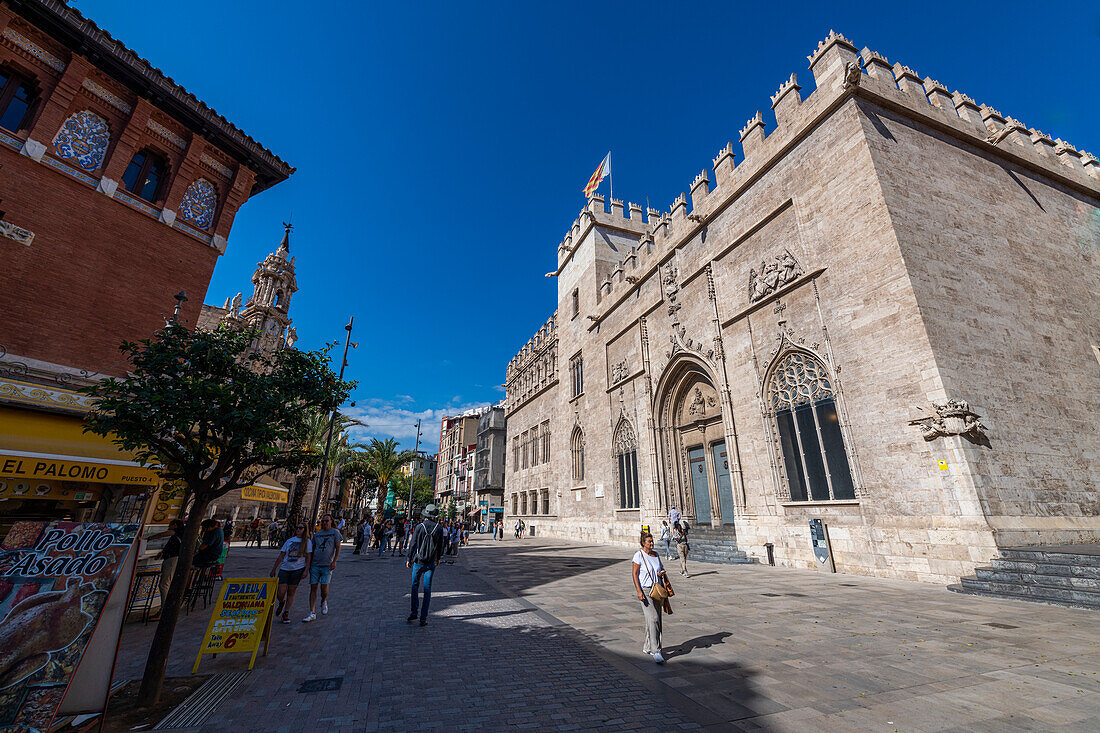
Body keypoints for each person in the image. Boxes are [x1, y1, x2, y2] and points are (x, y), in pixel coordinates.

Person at [632, 531, 669, 664]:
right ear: (643, 543)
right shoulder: (638, 556)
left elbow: (659, 569)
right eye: (649, 542)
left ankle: (647, 647)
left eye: (652, 541)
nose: (652, 543)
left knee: (655, 619)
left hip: (657, 590)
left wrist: (660, 573)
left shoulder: (656, 555)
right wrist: (638, 590)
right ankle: (656, 651)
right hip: (646, 590)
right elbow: (635, 574)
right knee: (653, 619)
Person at [406, 504, 446, 627]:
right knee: (427, 589)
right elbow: (441, 546)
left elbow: (413, 544)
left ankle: (414, 612)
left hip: (418, 561)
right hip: (431, 562)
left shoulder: (419, 527)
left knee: (414, 586)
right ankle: (423, 618)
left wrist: (409, 558)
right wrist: (438, 558)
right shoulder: (439, 528)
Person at [304, 514, 342, 622]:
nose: (324, 523)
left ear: (331, 521)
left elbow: (338, 547)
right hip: (315, 564)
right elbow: (312, 548)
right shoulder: (317, 534)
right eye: (323, 521)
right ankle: (312, 612)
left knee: (324, 589)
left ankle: (324, 600)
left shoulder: (335, 533)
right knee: (313, 588)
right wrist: (308, 564)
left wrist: (334, 561)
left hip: (327, 565)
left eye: (326, 521)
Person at [272, 522, 311, 623]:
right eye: (297, 527)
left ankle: (286, 613)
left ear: (304, 529)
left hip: (297, 569)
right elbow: (281, 555)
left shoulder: (307, 542)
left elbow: (308, 557)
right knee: (280, 592)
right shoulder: (289, 541)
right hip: (285, 568)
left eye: (300, 528)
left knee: (291, 591)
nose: (298, 529)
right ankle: (281, 602)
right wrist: (274, 568)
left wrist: (306, 570)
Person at [152, 519, 184, 610]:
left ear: (175, 525)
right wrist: (163, 552)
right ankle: (169, 606)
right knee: (167, 584)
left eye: (170, 525)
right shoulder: (181, 533)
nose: (168, 527)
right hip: (172, 558)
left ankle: (165, 609)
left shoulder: (178, 532)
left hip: (172, 559)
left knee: (164, 585)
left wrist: (148, 538)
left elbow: (162, 534)